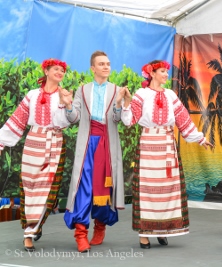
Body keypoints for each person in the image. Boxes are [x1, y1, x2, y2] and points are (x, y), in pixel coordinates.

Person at [121, 60, 213, 249]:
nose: (165, 75)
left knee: (166, 189)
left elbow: (183, 120)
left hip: (167, 146)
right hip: (148, 145)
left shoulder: (171, 95)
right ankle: (144, 234)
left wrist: (200, 138)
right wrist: (127, 103)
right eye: (162, 71)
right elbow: (130, 120)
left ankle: (162, 230)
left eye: (166, 71)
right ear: (152, 73)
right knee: (147, 190)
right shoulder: (142, 94)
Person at [59, 51, 130, 253]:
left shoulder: (117, 90)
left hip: (107, 145)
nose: (106, 67)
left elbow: (118, 120)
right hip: (87, 143)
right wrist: (68, 104)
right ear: (93, 68)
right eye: (101, 64)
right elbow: (74, 118)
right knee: (83, 187)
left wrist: (119, 105)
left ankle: (100, 227)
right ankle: (80, 234)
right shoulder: (83, 90)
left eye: (108, 63)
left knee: (104, 189)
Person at [0, 58, 70, 252]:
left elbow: (66, 123)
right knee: (29, 189)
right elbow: (18, 119)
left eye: (62, 70)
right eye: (55, 69)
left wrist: (66, 104)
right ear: (46, 71)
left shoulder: (64, 95)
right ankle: (29, 232)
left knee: (49, 191)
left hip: (54, 144)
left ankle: (35, 226)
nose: (59, 72)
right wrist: (2, 141)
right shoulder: (32, 95)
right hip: (33, 144)